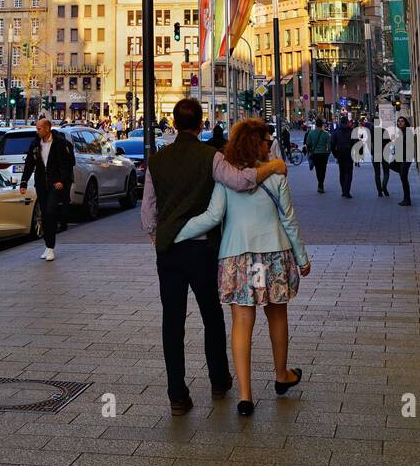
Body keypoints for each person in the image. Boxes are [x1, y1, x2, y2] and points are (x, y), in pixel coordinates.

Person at [141, 97, 287, 416]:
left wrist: (157, 238)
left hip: (168, 251)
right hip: (202, 250)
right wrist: (273, 166)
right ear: (199, 123)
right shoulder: (210, 157)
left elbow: (148, 211)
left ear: (175, 123)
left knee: (172, 321)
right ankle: (219, 379)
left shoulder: (157, 159)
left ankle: (177, 394)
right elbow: (240, 181)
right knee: (212, 316)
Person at [176, 117, 310, 416]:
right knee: (276, 315)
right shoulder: (276, 175)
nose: (269, 144)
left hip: (237, 258)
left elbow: (212, 217)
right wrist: (302, 257)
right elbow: (288, 219)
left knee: (241, 323)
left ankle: (245, 396)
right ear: (256, 144)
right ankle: (281, 375)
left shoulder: (228, 178)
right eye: (265, 140)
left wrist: (175, 234)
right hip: (273, 254)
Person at [19, 117, 74, 261]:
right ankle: (48, 246)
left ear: (47, 128)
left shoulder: (59, 143)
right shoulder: (35, 144)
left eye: (39, 128)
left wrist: (62, 181)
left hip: (55, 184)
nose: (37, 131)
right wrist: (23, 182)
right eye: (37, 128)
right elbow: (30, 164)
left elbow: (67, 165)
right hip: (41, 184)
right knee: (44, 214)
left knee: (50, 211)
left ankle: (51, 247)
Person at [304, 116, 331, 193]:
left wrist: (310, 151)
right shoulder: (326, 134)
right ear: (322, 125)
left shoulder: (311, 133)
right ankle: (321, 184)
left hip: (315, 154)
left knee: (318, 169)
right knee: (323, 170)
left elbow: (308, 143)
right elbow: (329, 146)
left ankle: (320, 183)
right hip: (323, 154)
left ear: (315, 125)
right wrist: (328, 153)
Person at [331, 114, 355, 198]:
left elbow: (332, 144)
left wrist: (335, 155)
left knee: (342, 172)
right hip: (349, 153)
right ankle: (347, 190)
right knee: (349, 172)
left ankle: (343, 190)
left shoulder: (336, 131)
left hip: (340, 153)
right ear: (347, 122)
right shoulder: (351, 131)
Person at [392, 116, 414, 205]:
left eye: (402, 121)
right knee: (391, 165)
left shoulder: (407, 131)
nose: (400, 123)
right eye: (398, 121)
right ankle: (406, 199)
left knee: (404, 179)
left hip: (406, 158)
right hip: (400, 157)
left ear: (405, 123)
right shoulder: (400, 131)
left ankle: (407, 199)